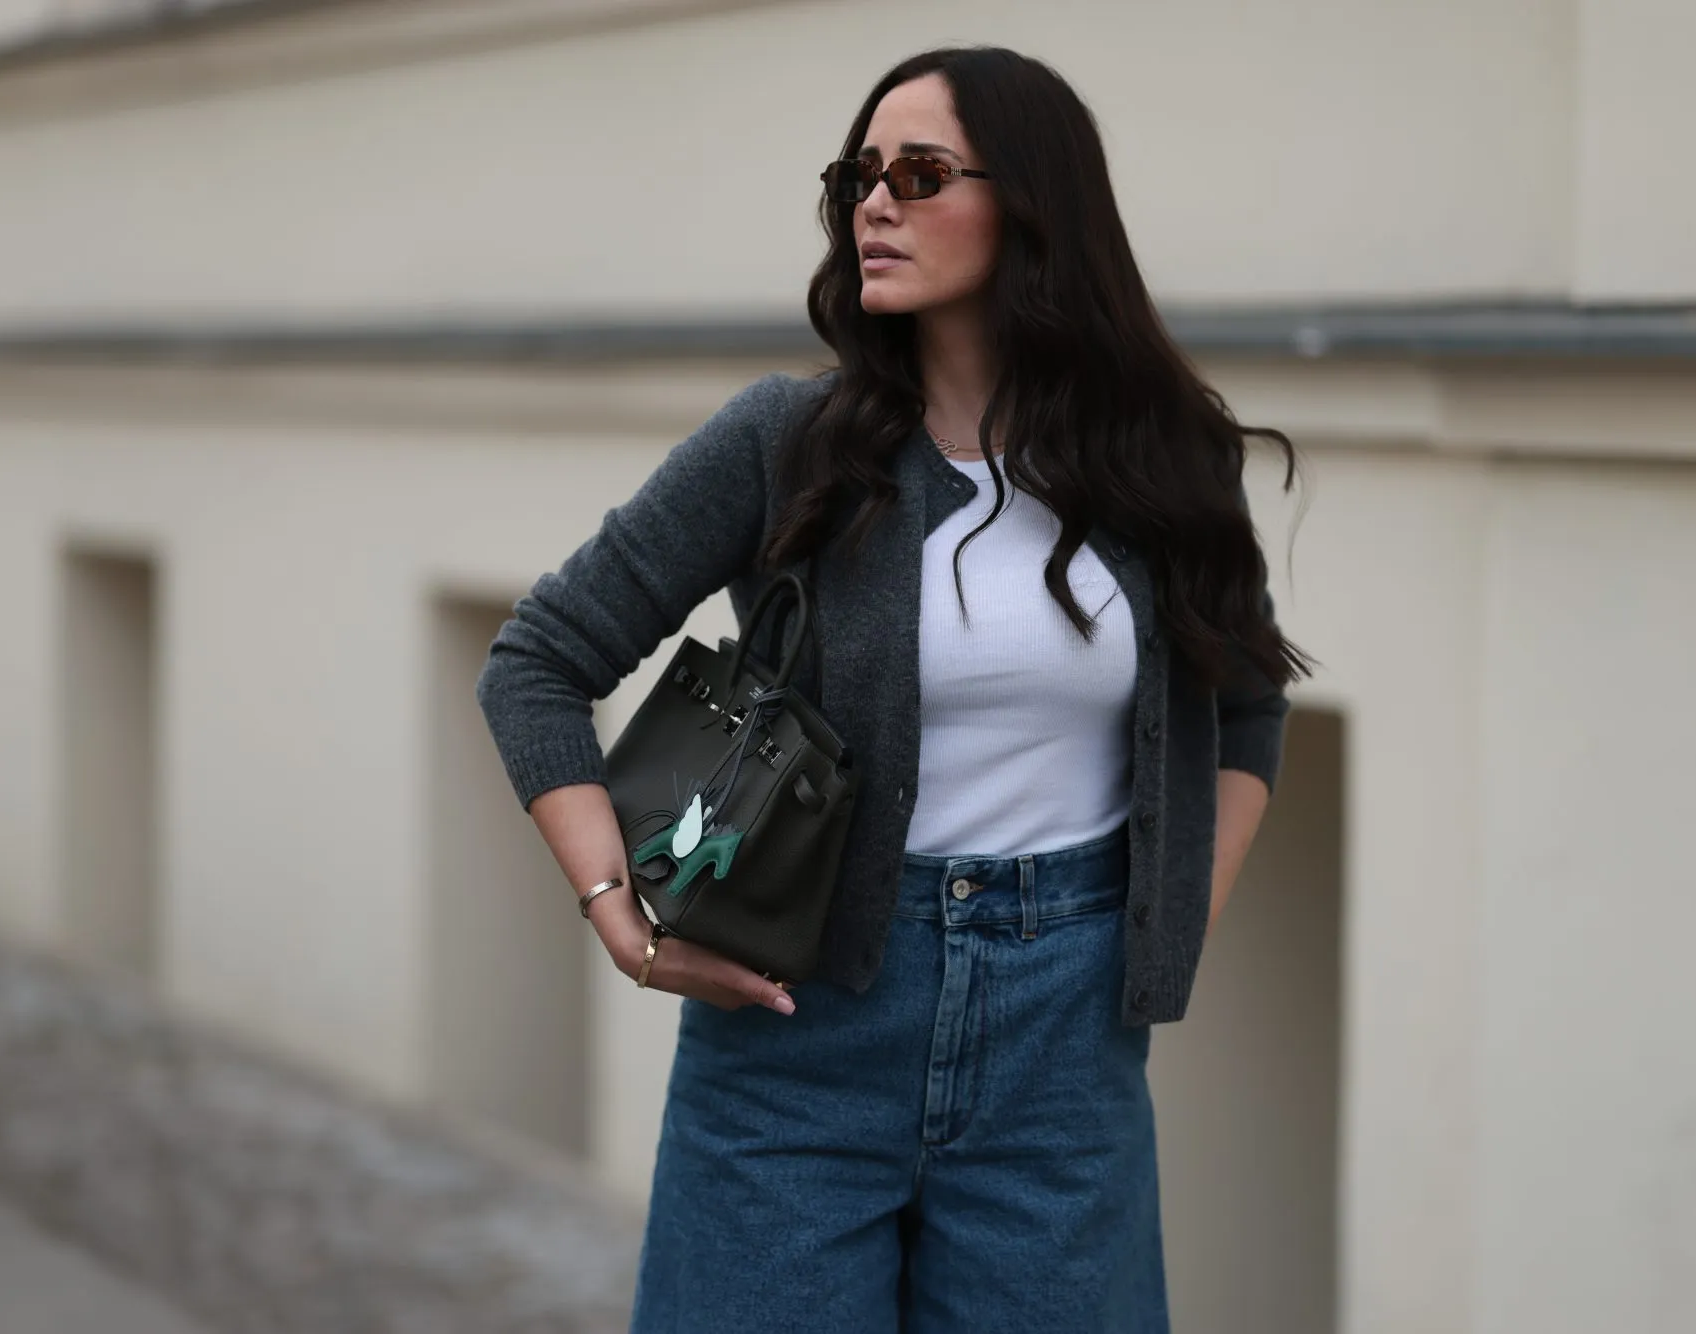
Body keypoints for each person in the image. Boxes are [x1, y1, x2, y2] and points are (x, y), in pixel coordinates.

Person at [475, 43, 1309, 1334]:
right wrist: (620, 915)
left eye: (918, 173)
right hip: (800, 1043)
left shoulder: (1161, 458)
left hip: (1063, 1054)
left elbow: (1246, 702)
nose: (874, 202)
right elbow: (537, 662)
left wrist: (1162, 917)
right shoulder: (785, 444)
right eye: (858, 175)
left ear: (1035, 201)